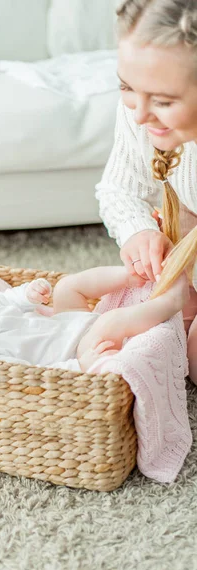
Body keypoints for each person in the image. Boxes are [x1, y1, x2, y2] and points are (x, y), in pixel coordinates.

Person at [96, 0, 197, 383]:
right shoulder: (141, 112)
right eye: (126, 86)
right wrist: (139, 230)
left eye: (164, 101)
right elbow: (117, 188)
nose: (139, 113)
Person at [0, 266, 189, 373]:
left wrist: (30, 293)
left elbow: (10, 298)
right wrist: (80, 366)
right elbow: (41, 375)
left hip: (64, 323)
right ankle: (170, 302)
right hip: (76, 349)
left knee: (68, 286)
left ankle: (135, 275)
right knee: (108, 324)